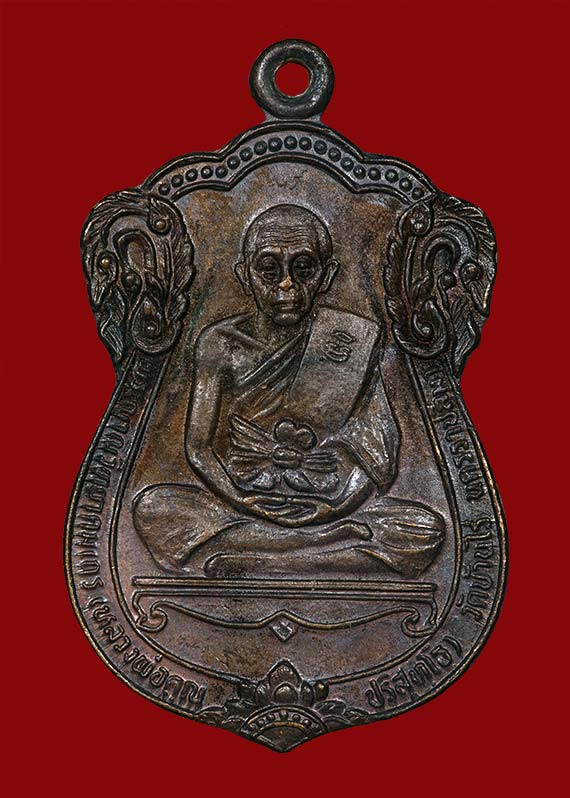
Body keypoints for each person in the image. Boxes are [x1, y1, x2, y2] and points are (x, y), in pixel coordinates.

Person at [134, 204, 444, 578]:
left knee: (424, 529)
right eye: (269, 270)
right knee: (154, 509)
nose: (286, 286)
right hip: (240, 498)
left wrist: (335, 508)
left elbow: (375, 451)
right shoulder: (219, 344)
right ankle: (323, 550)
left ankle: (268, 556)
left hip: (331, 502)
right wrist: (245, 501)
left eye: (303, 269)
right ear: (244, 275)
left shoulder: (348, 340)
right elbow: (198, 448)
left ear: (327, 276)